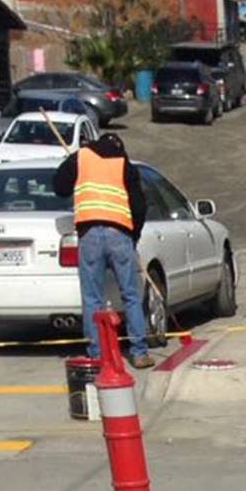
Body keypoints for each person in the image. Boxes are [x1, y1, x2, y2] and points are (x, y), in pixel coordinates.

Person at [52, 132, 153, 368]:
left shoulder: (82, 157)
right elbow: (139, 205)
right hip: (119, 234)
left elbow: (59, 187)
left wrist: (74, 170)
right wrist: (133, 236)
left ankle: (97, 355)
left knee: (92, 298)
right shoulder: (124, 163)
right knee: (130, 294)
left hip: (89, 234)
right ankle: (139, 352)